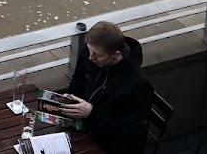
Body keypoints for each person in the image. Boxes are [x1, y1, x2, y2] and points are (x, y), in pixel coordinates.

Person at [56, 21, 153, 154]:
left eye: (98, 55)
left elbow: (132, 135)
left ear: (115, 54)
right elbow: (77, 84)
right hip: (86, 128)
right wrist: (69, 98)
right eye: (90, 51)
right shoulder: (89, 55)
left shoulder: (138, 84)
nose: (91, 58)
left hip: (112, 145)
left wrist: (92, 113)